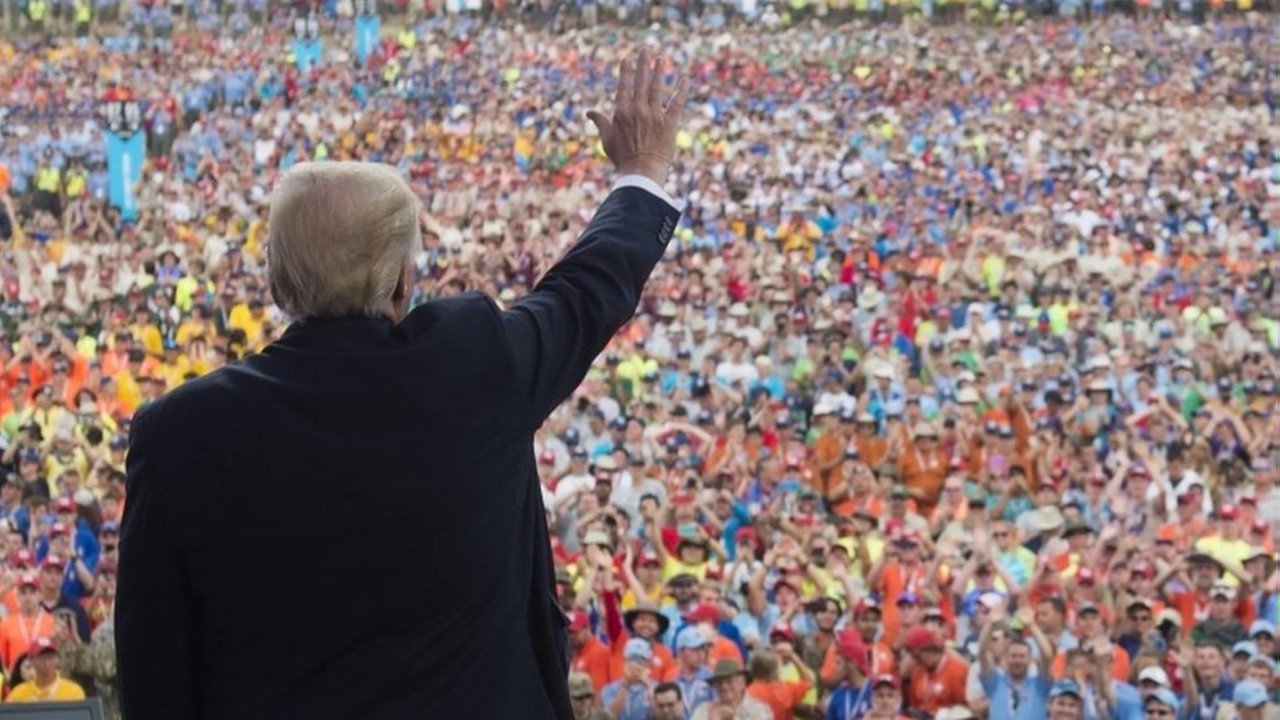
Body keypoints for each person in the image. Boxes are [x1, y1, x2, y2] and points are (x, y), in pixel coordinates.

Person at [117, 50, 689, 719]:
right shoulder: (474, 361)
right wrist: (641, 171)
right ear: (401, 280)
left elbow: (154, 673)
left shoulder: (179, 431)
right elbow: (588, 289)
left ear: (274, 280)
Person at [5, 637, 85, 702]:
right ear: (31, 660)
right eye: (42, 658)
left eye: (50, 657)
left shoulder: (73, 692)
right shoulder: (18, 693)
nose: (46, 663)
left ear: (57, 659)